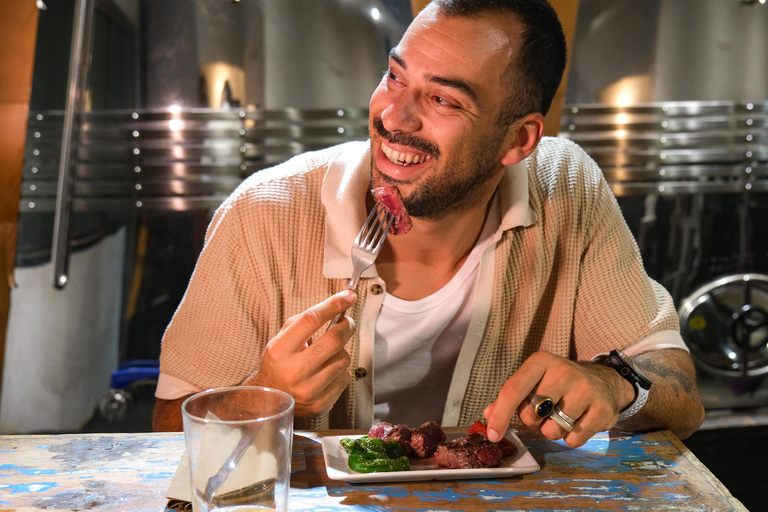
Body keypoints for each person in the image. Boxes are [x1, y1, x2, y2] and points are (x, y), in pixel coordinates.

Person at [153, 0, 704, 447]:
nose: (394, 116)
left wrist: (614, 383)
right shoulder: (264, 212)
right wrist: (265, 398)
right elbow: (165, 430)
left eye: (442, 99)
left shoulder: (567, 188)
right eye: (395, 76)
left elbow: (680, 392)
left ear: (519, 140)